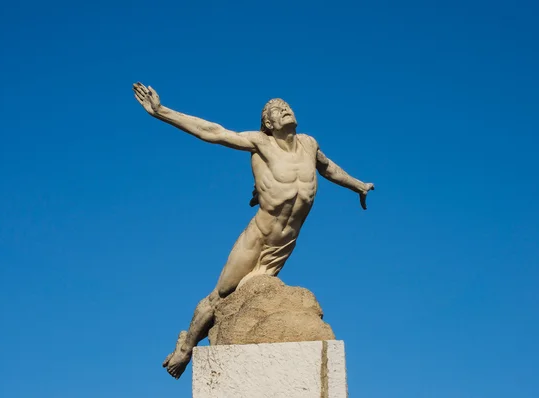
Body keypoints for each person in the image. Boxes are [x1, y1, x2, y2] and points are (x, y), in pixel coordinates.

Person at [132, 82, 375, 378]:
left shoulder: (309, 144)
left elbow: (329, 169)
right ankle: (185, 349)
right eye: (276, 110)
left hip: (286, 242)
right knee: (220, 295)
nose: (284, 109)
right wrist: (161, 111)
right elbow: (213, 132)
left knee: (254, 294)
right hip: (259, 236)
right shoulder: (261, 143)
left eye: (287, 106)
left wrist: (358, 186)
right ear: (268, 124)